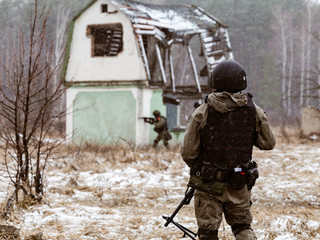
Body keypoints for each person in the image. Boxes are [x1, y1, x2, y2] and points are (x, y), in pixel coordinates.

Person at [180, 60, 276, 240]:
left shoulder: (202, 112)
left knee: (208, 234)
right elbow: (268, 143)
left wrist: (202, 167)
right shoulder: (254, 111)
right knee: (243, 228)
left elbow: (188, 153)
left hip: (208, 183)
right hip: (239, 182)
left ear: (215, 82)